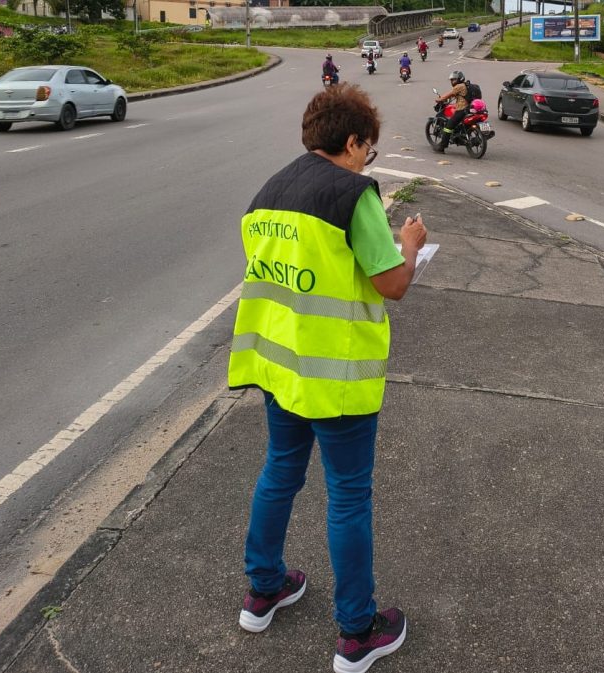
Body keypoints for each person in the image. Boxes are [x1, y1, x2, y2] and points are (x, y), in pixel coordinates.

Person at [229, 83, 427, 673]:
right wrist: (409, 245)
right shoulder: (352, 194)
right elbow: (392, 284)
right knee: (347, 496)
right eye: (368, 148)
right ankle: (357, 631)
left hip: (282, 367)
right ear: (352, 141)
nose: (367, 159)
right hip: (336, 376)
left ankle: (264, 590)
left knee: (279, 473)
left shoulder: (269, 192)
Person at [433, 70, 469, 153]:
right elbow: (458, 96)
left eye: (454, 80)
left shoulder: (459, 86)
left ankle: (442, 147)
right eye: (452, 80)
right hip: (470, 109)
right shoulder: (467, 85)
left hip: (462, 110)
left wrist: (439, 99)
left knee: (448, 127)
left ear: (460, 79)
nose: (452, 82)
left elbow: (449, 94)